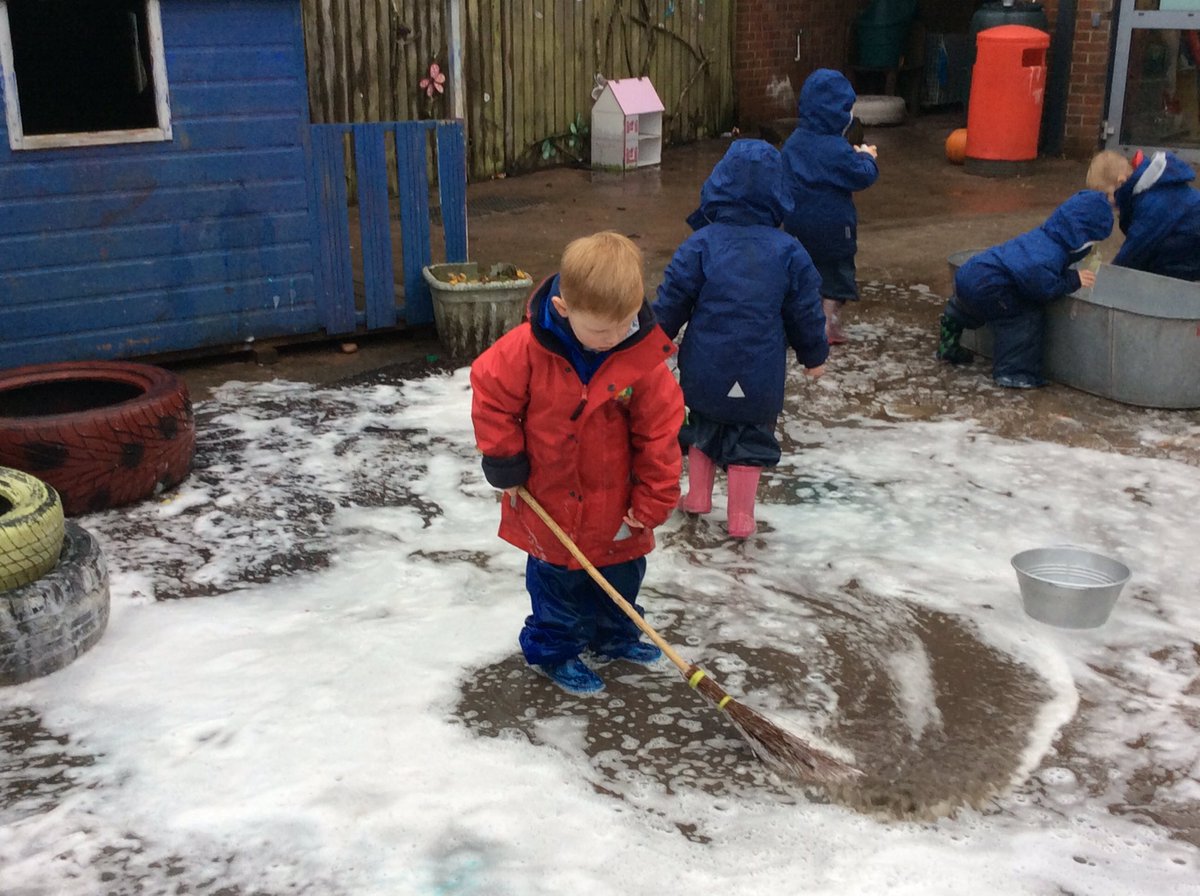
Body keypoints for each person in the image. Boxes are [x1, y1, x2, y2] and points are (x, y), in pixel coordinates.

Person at [469, 231, 685, 696]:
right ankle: (556, 650)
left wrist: (654, 496)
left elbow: (661, 433)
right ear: (564, 310)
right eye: (601, 331)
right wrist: (504, 459)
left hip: (617, 503)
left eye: (624, 326)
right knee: (557, 587)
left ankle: (616, 634)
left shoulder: (641, 357)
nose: (614, 340)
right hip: (550, 497)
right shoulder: (526, 349)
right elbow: (491, 395)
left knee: (622, 576)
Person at [653, 139, 828, 538]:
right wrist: (813, 355)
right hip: (758, 371)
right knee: (748, 437)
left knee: (702, 425)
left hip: (705, 367)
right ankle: (741, 516)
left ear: (718, 185)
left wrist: (653, 342)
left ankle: (697, 495)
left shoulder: (701, 244)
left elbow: (673, 298)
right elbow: (804, 310)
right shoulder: (789, 251)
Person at [936, 190, 1113, 389]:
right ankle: (1014, 374)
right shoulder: (1050, 255)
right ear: (1081, 239)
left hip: (971, 274)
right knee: (1024, 320)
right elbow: (1042, 288)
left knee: (967, 306)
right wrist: (1073, 280)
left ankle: (950, 337)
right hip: (992, 290)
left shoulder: (1044, 236)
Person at [779, 68, 879, 345]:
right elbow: (862, 176)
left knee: (802, 274)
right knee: (835, 275)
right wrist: (867, 157)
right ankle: (827, 324)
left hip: (798, 225)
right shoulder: (837, 149)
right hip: (835, 228)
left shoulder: (793, 144)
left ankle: (799, 322)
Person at [1087, 148, 1200, 282]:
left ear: (1121, 182)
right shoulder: (1148, 191)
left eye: (1106, 195)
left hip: (1192, 243)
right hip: (1190, 241)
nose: (1106, 203)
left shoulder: (1154, 200)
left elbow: (1136, 248)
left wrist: (1109, 279)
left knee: (1150, 254)